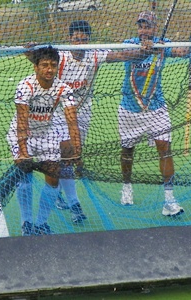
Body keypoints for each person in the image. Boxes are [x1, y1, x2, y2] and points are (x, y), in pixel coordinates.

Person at [24, 20, 158, 223]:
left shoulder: (94, 54)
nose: (79, 43)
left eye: (83, 39)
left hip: (83, 114)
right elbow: (36, 58)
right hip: (58, 113)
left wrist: (145, 51)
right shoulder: (61, 55)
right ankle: (74, 204)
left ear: (88, 39)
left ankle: (61, 194)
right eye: (76, 39)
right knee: (62, 158)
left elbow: (122, 55)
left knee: (70, 159)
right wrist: (29, 50)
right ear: (70, 39)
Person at [6, 46, 81, 236]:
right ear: (36, 67)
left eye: (53, 65)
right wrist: (23, 152)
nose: (49, 69)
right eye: (45, 65)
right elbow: (22, 121)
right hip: (22, 133)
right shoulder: (25, 86)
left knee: (53, 177)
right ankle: (26, 222)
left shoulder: (64, 88)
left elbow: (72, 120)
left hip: (47, 133)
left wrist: (77, 149)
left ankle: (41, 223)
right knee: (25, 177)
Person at [119, 11, 187, 216]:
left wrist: (159, 48)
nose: (143, 29)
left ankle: (169, 200)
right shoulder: (129, 42)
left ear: (155, 27)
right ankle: (127, 186)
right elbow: (122, 54)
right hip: (129, 108)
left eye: (147, 26)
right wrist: (143, 50)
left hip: (157, 107)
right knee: (127, 151)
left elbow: (182, 51)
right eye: (141, 25)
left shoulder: (163, 44)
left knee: (165, 149)